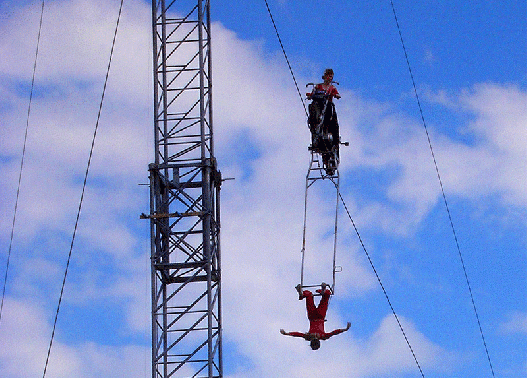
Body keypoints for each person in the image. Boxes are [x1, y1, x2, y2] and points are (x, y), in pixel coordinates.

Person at [280, 283, 350, 350]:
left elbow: (334, 333)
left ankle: (321, 292)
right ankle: (305, 293)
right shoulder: (309, 336)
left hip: (319, 317)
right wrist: (287, 333)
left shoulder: (322, 337)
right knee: (309, 295)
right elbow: (298, 334)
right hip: (313, 317)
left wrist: (345, 329)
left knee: (325, 296)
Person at [306, 68, 341, 155]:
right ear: (325, 76)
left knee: (334, 120)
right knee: (312, 107)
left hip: (327, 106)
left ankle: (335, 140)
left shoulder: (332, 87)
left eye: (331, 76)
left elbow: (337, 94)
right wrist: (310, 96)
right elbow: (313, 93)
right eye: (328, 76)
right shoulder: (318, 86)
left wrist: (336, 95)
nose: (330, 78)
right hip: (318, 105)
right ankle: (315, 137)